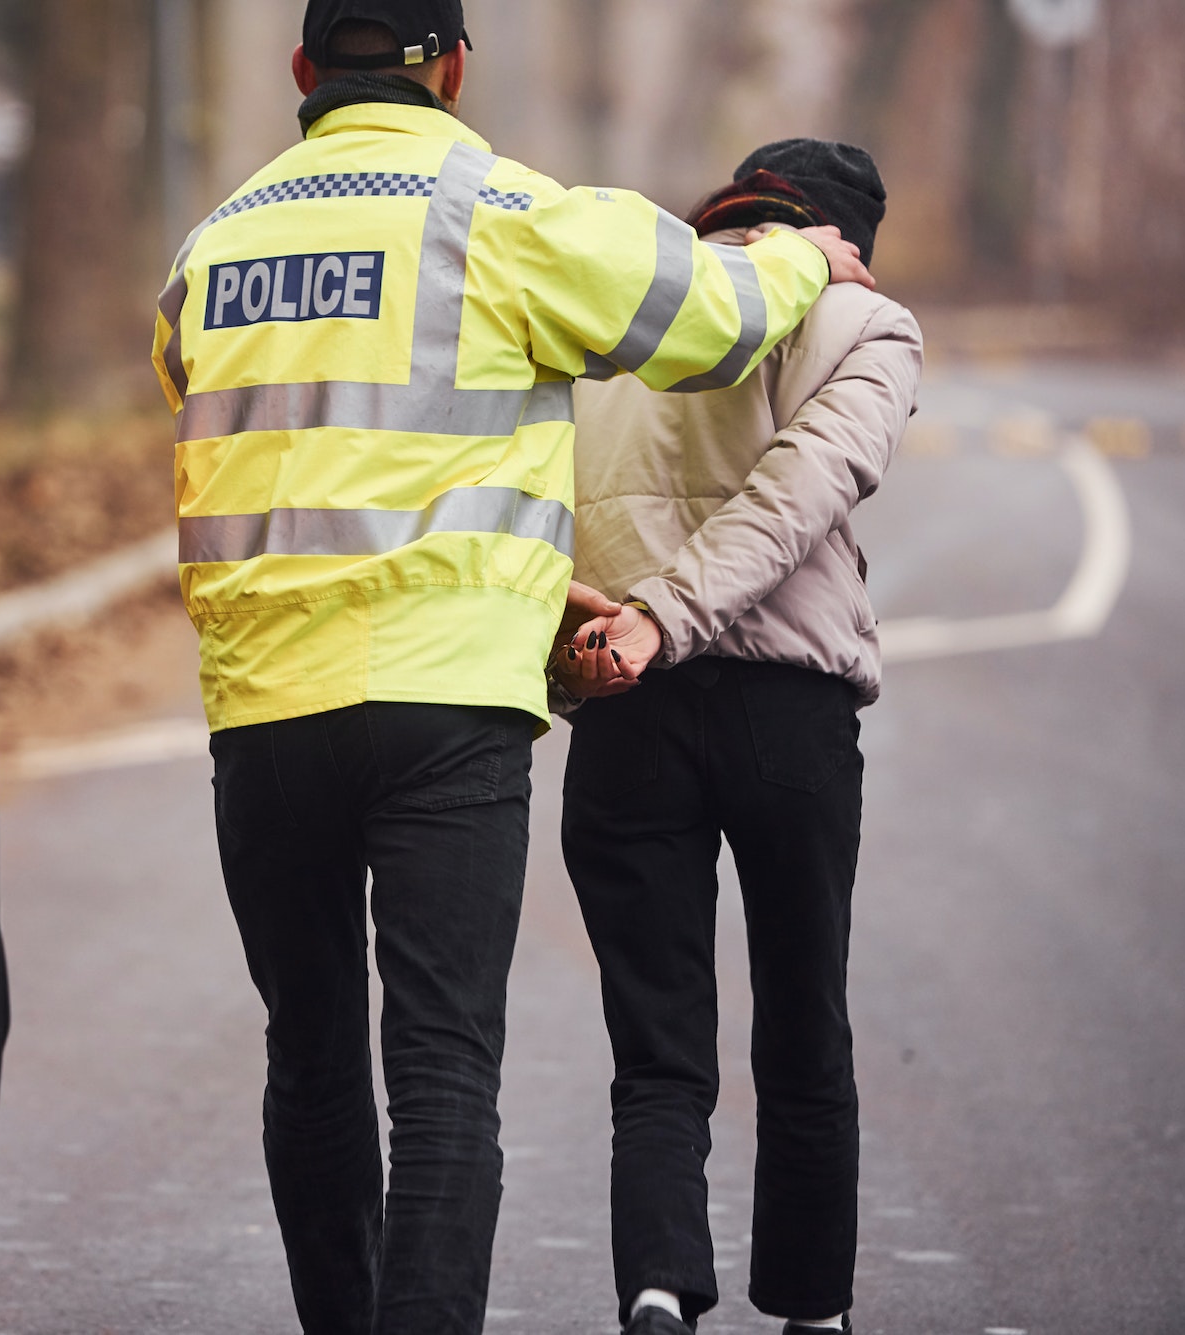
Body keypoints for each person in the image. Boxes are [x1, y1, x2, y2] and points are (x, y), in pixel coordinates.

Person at [151, 6, 876, 1328]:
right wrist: (801, 257)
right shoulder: (502, 213)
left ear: (304, 71)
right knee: (438, 1068)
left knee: (309, 1062)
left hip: (263, 709)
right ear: (455, 66)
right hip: (446, 705)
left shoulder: (212, 248)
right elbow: (712, 322)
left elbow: (251, 429)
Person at [555, 140, 923, 1335]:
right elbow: (798, 494)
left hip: (626, 707)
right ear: (847, 246)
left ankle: (658, 1289)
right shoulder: (869, 329)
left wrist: (618, 628)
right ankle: (811, 1313)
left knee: (653, 1042)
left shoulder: (631, 316)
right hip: (784, 713)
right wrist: (669, 617)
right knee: (803, 1022)